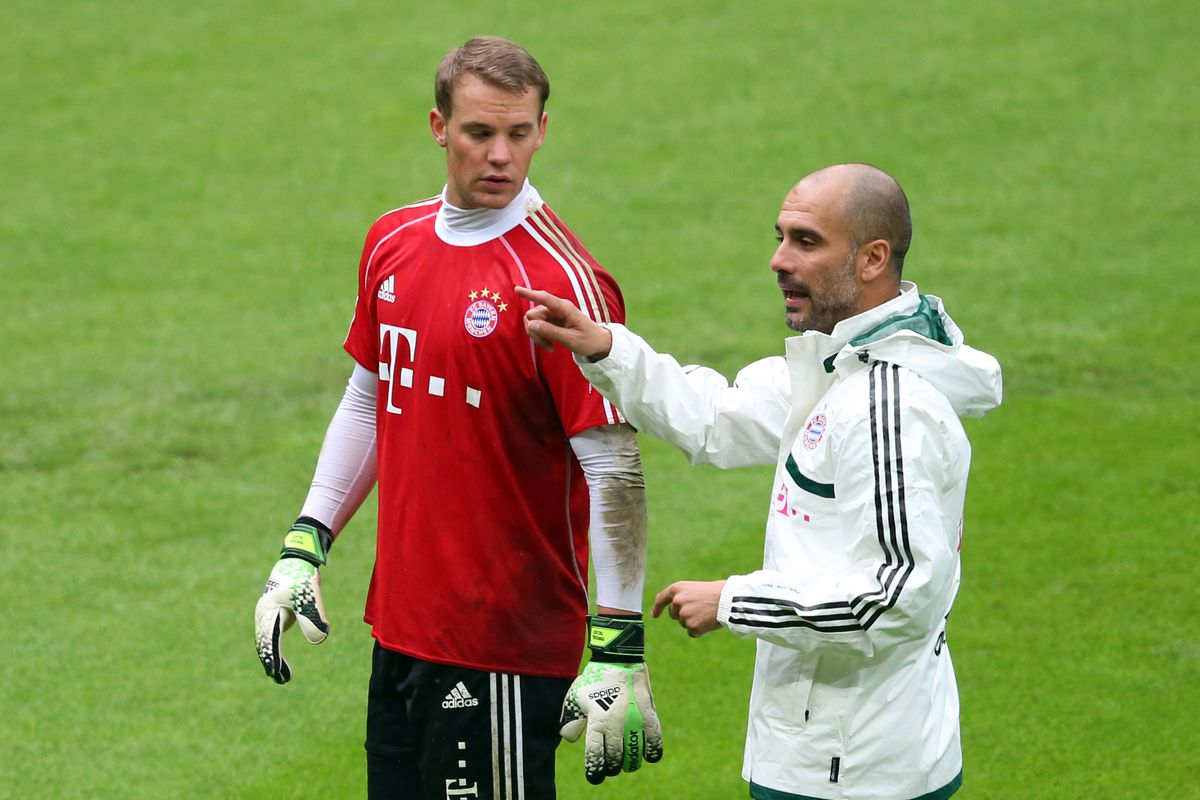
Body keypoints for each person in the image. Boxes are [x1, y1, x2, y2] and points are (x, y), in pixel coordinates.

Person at [253, 36, 662, 799]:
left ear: (544, 129)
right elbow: (371, 396)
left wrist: (618, 643)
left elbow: (613, 464)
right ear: (439, 128)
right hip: (403, 626)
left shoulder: (560, 283)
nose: (501, 154)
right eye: (480, 133)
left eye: (520, 133)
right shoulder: (392, 242)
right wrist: (305, 544)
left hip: (501, 640)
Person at [516, 163, 1003, 800]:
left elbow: (896, 596)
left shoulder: (887, 408)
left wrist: (733, 601)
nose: (778, 260)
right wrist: (608, 347)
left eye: (806, 242)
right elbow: (715, 419)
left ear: (872, 258)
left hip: (856, 770)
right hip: (824, 748)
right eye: (781, 237)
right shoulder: (836, 366)